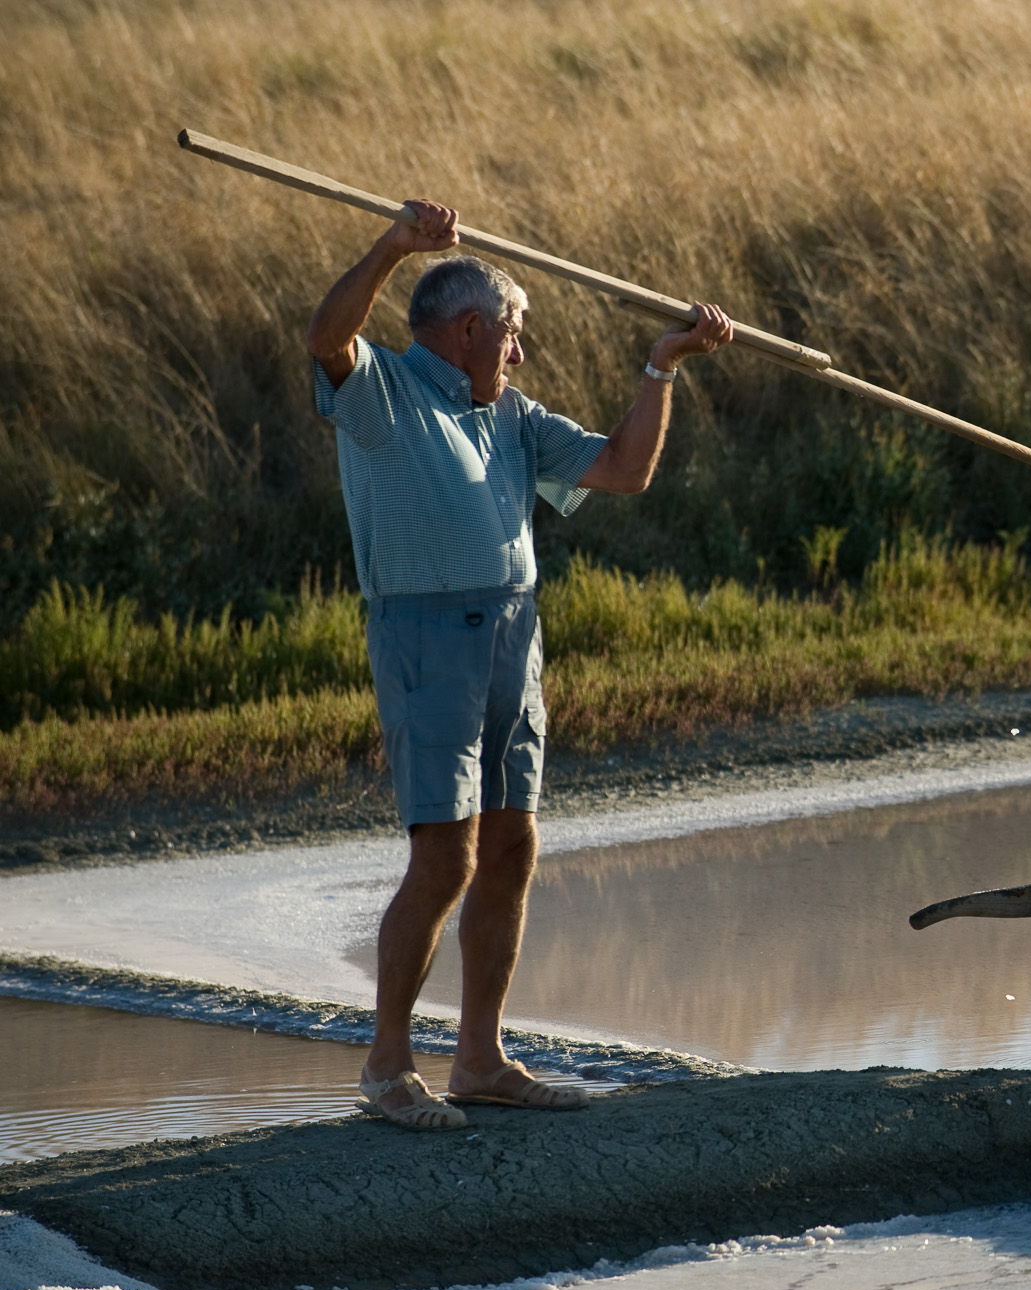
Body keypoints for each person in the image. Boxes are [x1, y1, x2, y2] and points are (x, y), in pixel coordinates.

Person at [306, 199, 733, 1130]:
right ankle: (387, 1068)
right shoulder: (381, 390)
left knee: (510, 847)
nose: (521, 353)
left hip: (512, 635)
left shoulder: (513, 416)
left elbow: (624, 469)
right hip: (426, 639)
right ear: (471, 331)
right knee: (444, 856)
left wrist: (662, 366)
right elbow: (328, 334)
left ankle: (481, 1058)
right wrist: (392, 246)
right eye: (514, 335)